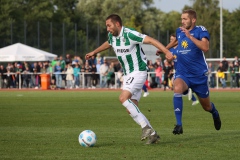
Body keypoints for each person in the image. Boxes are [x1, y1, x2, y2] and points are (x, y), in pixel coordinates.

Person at [85, 14, 173, 144]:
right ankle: (153, 134)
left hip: (138, 71)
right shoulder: (112, 36)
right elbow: (108, 43)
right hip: (128, 75)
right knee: (130, 107)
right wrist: (94, 52)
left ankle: (146, 127)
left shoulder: (130, 34)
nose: (107, 29)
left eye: (109, 26)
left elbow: (151, 40)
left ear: (117, 24)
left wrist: (167, 52)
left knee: (122, 98)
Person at [162, 9, 221, 134]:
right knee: (177, 88)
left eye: (185, 19)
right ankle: (179, 125)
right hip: (183, 73)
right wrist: (165, 49)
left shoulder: (201, 30)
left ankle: (214, 112)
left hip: (199, 75)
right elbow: (177, 40)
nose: (182, 21)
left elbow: (205, 47)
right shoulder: (179, 31)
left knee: (206, 107)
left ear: (193, 20)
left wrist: (190, 36)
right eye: (181, 19)